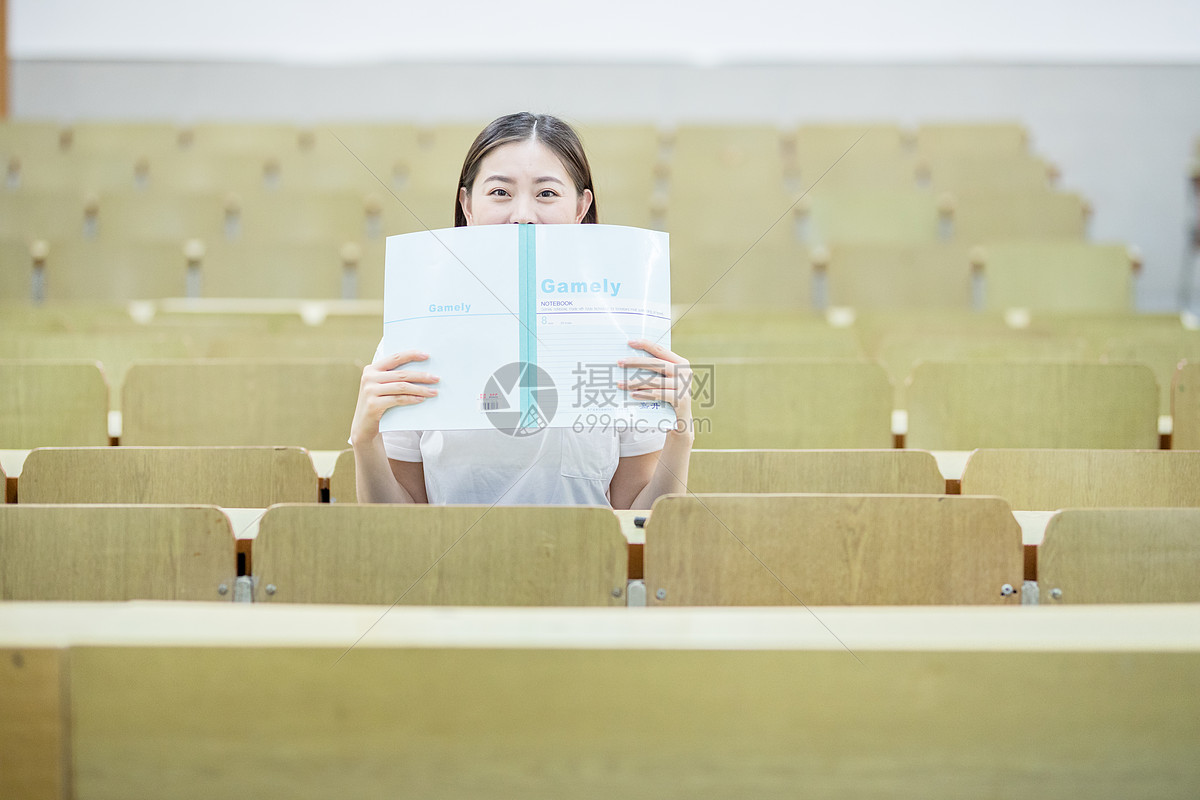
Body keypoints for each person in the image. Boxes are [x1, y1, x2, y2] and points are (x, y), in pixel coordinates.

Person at [350, 112, 694, 509]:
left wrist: (680, 433)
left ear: (581, 208)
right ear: (467, 205)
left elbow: (637, 518)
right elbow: (396, 524)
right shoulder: (416, 334)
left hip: (584, 565)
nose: (523, 215)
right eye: (500, 192)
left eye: (546, 194)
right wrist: (366, 440)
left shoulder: (623, 334)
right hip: (448, 568)